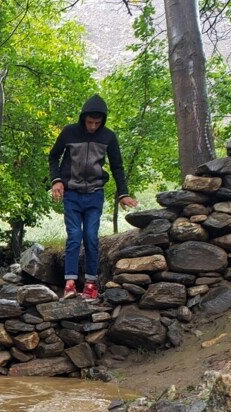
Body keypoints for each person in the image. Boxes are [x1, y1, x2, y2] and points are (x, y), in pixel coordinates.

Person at [48, 94, 138, 300]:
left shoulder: (108, 137)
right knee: (74, 236)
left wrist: (123, 193)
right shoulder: (69, 132)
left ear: (103, 121)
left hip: (95, 194)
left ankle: (90, 284)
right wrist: (56, 180)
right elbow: (53, 156)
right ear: (83, 118)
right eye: (90, 122)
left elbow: (117, 166)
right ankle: (69, 283)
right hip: (71, 193)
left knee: (90, 236)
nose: (93, 126)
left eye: (97, 123)